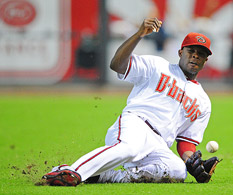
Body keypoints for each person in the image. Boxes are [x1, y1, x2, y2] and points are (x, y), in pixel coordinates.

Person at [42, 18, 219, 186]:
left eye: (201, 54)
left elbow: (186, 141)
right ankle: (69, 171)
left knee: (178, 171)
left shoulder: (203, 101)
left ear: (206, 60)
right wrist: (138, 34)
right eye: (191, 51)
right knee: (130, 148)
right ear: (181, 52)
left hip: (159, 145)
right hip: (136, 124)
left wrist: (193, 164)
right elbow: (117, 65)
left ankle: (106, 176)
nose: (195, 56)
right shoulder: (157, 66)